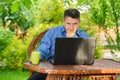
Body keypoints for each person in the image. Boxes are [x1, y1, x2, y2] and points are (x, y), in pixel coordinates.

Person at [28, 8, 89, 80]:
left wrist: (73, 38)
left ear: (79, 23)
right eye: (68, 23)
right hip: (51, 69)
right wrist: (36, 58)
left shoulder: (84, 36)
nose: (71, 27)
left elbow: (85, 57)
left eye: (75, 24)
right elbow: (42, 50)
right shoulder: (52, 32)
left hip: (76, 72)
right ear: (63, 22)